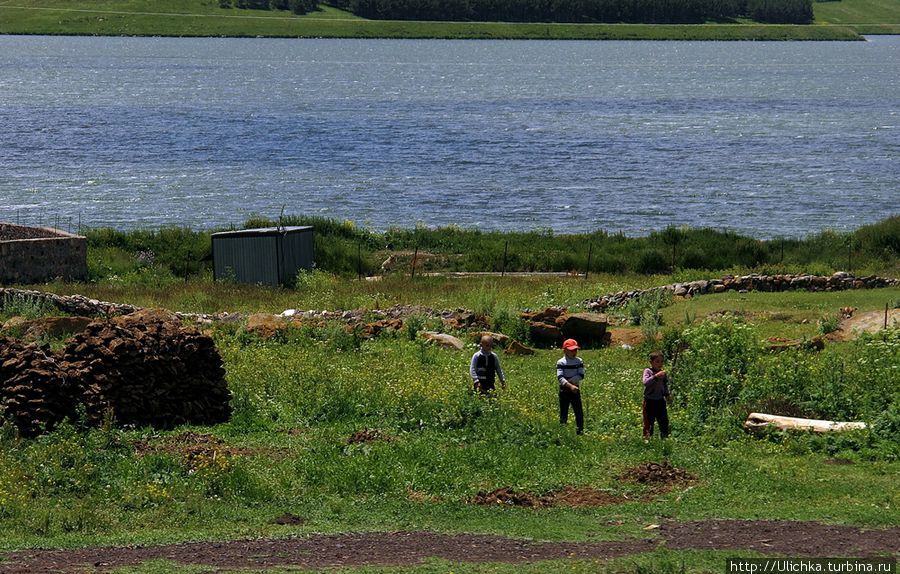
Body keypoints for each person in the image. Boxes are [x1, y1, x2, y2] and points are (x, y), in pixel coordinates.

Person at [557, 338, 585, 435]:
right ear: (565, 350)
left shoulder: (579, 361)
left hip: (575, 389)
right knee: (564, 411)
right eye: (571, 350)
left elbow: (581, 375)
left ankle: (580, 431)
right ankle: (562, 432)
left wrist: (571, 381)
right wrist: (569, 385)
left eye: (575, 350)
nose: (574, 352)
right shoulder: (561, 362)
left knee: (578, 411)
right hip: (565, 390)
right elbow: (560, 377)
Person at [642, 351, 672, 440]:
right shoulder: (648, 371)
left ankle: (664, 438)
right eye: (657, 361)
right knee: (649, 422)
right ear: (651, 362)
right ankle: (647, 439)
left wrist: (667, 396)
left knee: (663, 420)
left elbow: (665, 386)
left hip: (660, 400)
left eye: (662, 361)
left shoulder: (663, 373)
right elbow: (646, 382)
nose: (660, 364)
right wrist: (655, 376)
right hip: (649, 401)